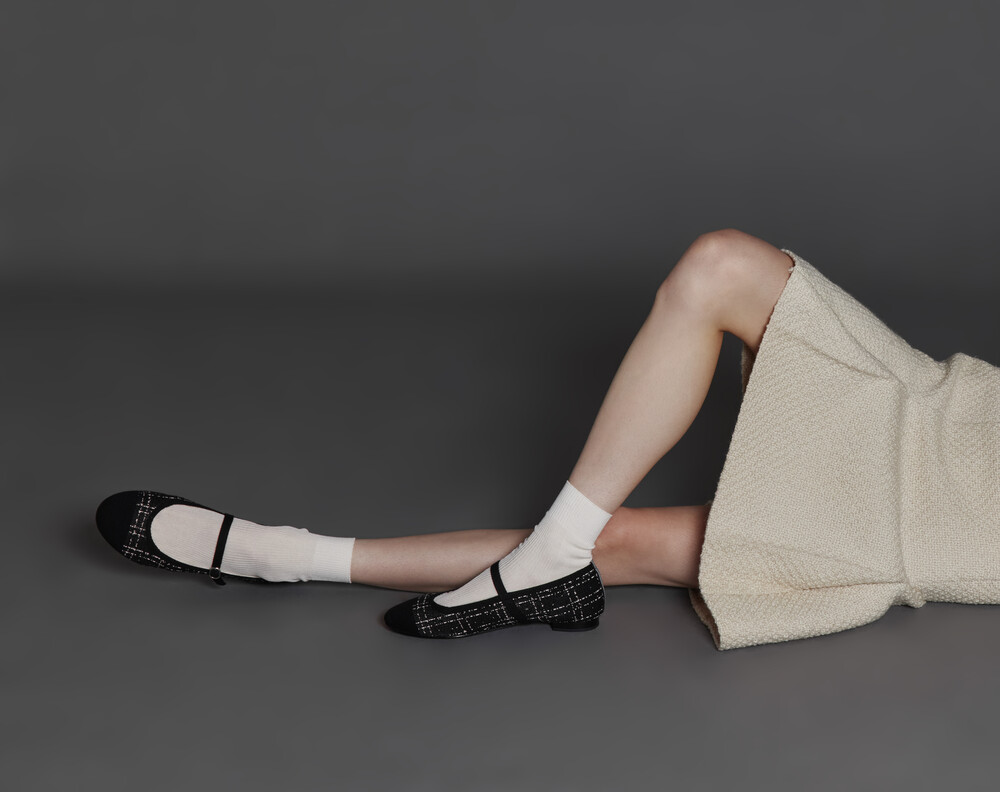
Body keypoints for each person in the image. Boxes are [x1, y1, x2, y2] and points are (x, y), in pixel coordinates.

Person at [95, 228, 1000, 650]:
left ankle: (282, 555)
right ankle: (550, 558)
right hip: (950, 406)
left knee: (624, 542)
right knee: (720, 266)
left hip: (947, 525)